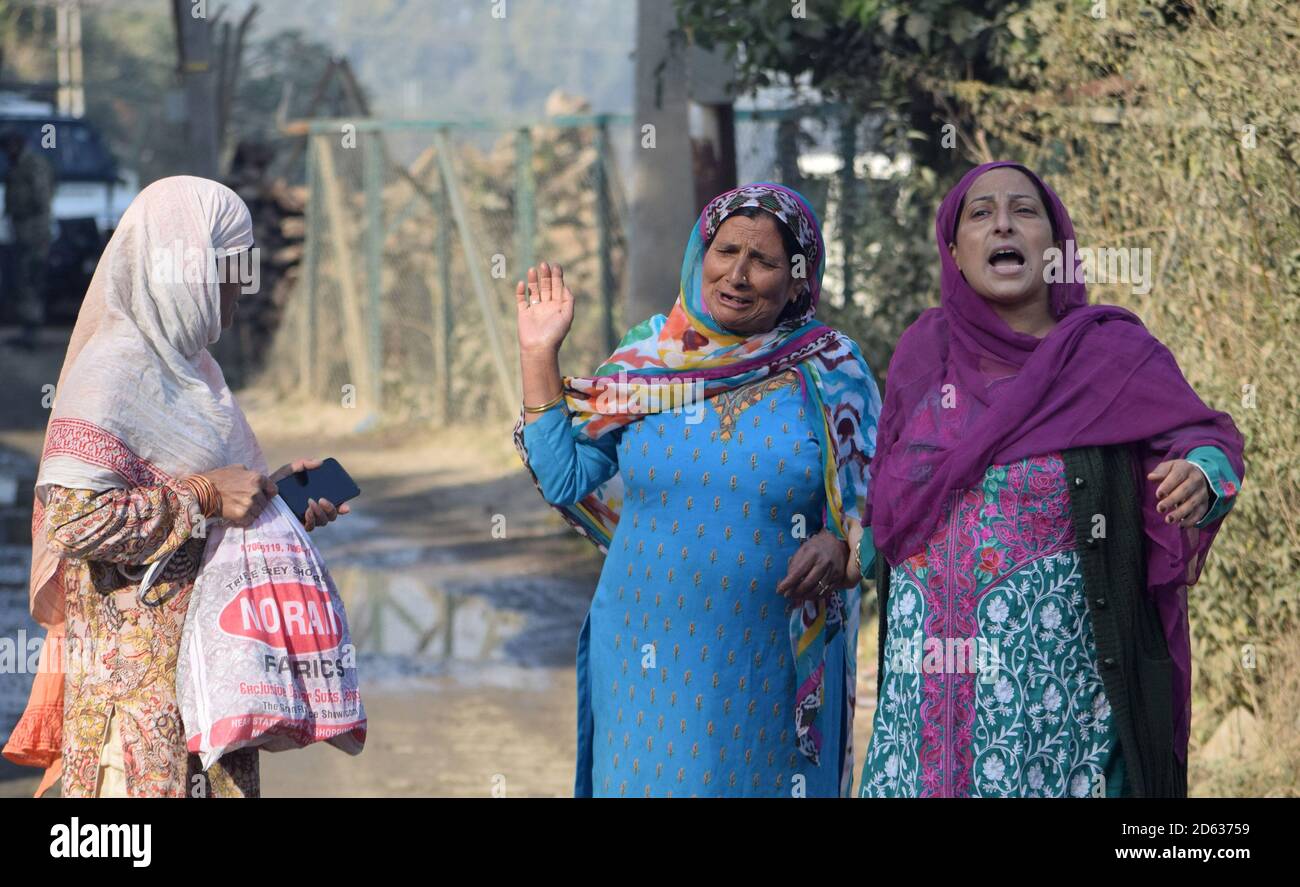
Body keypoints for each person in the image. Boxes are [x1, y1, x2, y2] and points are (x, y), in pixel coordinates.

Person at [853, 162, 1244, 798]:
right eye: (979, 214)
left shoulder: (1109, 354)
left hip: (1058, 713)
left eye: (1024, 211)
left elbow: (1203, 436)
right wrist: (857, 540)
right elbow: (892, 492)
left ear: (1056, 247)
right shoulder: (923, 353)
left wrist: (1201, 475)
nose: (1002, 223)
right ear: (953, 250)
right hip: (921, 709)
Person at [514, 183, 881, 797]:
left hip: (771, 663)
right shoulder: (650, 357)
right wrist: (537, 355)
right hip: (643, 652)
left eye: (762, 260)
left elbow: (881, 510)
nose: (736, 274)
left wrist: (842, 550)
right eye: (725, 250)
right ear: (699, 256)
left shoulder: (831, 370)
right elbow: (565, 477)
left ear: (797, 280)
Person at [1, 176, 349, 797]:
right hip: (135, 713)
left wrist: (272, 498)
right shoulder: (112, 370)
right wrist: (205, 498)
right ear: (184, 266)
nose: (240, 288)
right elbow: (74, 521)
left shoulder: (197, 375)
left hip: (210, 696)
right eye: (230, 267)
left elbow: (209, 501)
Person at [2, 129, 53, 349]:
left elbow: (41, 198)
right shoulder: (18, 164)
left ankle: (32, 330)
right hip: (22, 230)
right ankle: (27, 328)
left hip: (34, 231)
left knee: (31, 279)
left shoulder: (33, 164)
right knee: (23, 279)